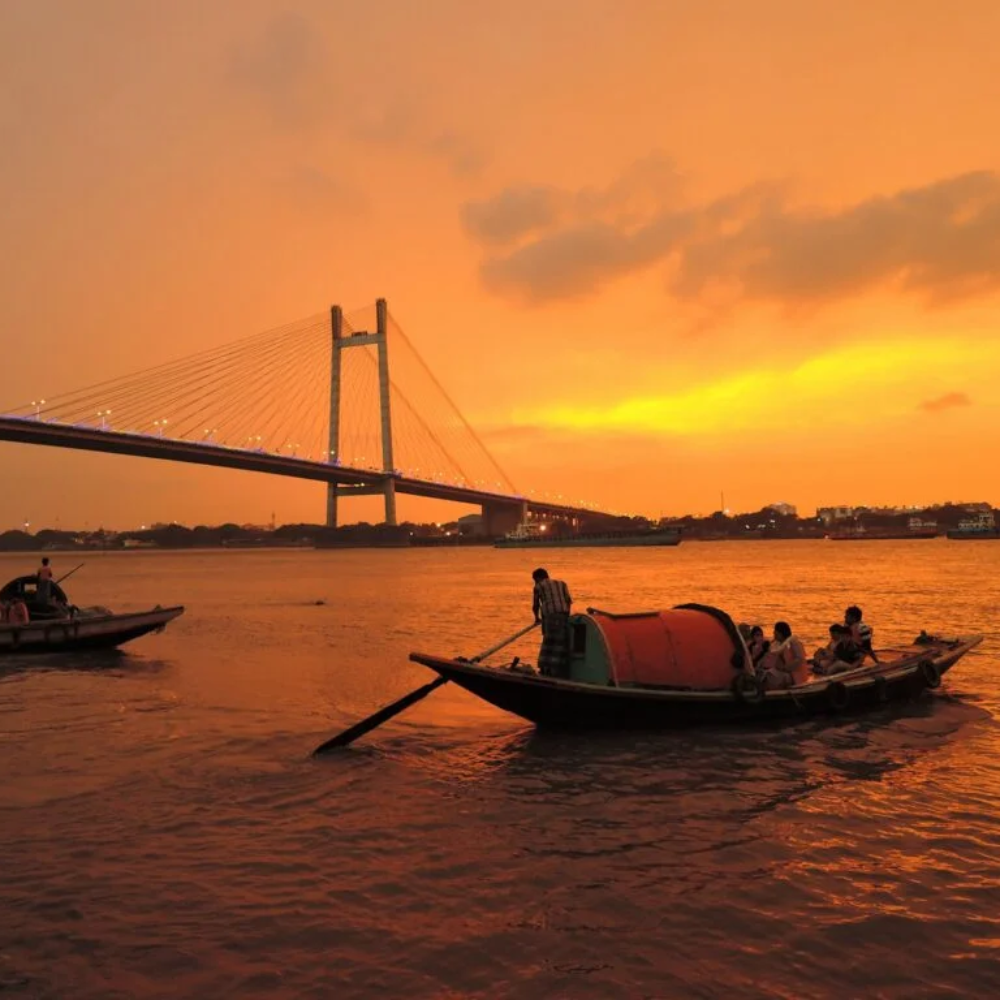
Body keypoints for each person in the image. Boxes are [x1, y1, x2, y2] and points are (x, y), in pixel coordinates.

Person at [531, 568, 572, 678]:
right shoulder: (562, 584)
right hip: (563, 615)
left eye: (535, 580)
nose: (535, 582)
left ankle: (547, 670)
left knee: (549, 641)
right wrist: (567, 616)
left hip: (550, 616)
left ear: (538, 578)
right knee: (560, 642)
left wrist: (536, 618)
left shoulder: (538, 586)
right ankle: (554, 669)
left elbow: (535, 605)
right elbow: (568, 601)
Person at [758, 621, 808, 689]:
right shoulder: (778, 644)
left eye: (775, 632)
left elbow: (799, 659)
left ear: (780, 633)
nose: (773, 634)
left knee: (769, 678)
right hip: (782, 672)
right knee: (762, 673)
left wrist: (785, 668)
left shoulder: (793, 642)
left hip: (794, 676)